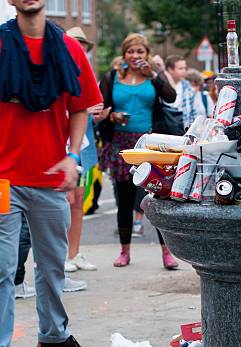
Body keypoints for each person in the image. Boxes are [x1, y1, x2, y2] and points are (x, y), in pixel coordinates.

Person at [0, 0, 102, 347]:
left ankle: (54, 336)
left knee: (53, 262)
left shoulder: (68, 48)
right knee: (2, 269)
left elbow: (80, 105)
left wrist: (73, 155)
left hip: (50, 175)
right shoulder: (2, 45)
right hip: (3, 178)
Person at [98, 33, 178, 269]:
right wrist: (112, 116)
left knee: (157, 196)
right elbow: (102, 108)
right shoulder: (112, 77)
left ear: (147, 55)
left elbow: (171, 97)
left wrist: (154, 73)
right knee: (124, 199)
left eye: (140, 52)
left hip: (149, 143)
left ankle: (167, 253)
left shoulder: (153, 78)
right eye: (130, 52)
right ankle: (124, 251)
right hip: (121, 143)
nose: (135, 56)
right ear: (124, 55)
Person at [64, 26, 98, 273]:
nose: (81, 49)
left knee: (78, 203)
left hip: (83, 148)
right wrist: (86, 111)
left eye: (83, 45)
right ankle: (61, 256)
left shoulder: (85, 75)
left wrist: (99, 114)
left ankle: (74, 254)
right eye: (76, 44)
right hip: (63, 149)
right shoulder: (60, 73)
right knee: (63, 205)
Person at [165, 55, 197, 129]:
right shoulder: (161, 85)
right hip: (164, 130)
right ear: (170, 69)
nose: (184, 71)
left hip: (183, 130)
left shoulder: (188, 87)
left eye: (185, 68)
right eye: (180, 68)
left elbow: (192, 112)